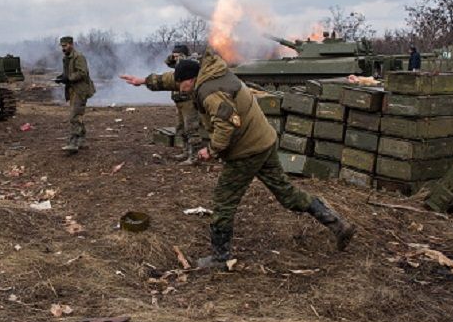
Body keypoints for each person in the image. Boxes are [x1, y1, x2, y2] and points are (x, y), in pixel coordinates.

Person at [120, 50, 355, 269]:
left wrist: (210, 150)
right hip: (264, 141)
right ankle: (337, 224)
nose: (181, 90)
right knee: (287, 194)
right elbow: (175, 78)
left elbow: (227, 124)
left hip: (246, 150)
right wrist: (145, 81)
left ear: (192, 80)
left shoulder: (211, 92)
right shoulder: (206, 71)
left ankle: (220, 257)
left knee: (223, 201)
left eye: (183, 86)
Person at [55, 36, 95, 153]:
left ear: (71, 44)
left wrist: (69, 78)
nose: (63, 48)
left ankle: (73, 143)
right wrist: (61, 78)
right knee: (77, 116)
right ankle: (82, 141)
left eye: (65, 46)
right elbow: (67, 73)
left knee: (74, 117)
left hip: (80, 90)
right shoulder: (66, 58)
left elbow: (82, 73)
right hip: (72, 90)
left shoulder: (78, 57)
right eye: (62, 46)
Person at [164, 44, 202, 165]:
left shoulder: (191, 63)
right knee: (181, 128)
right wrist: (173, 58)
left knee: (191, 129)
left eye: (177, 55)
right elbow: (168, 62)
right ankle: (185, 151)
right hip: (179, 100)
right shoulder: (178, 64)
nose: (175, 57)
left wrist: (183, 58)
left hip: (189, 101)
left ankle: (194, 156)